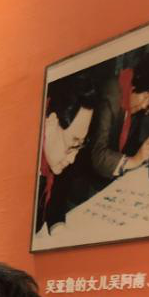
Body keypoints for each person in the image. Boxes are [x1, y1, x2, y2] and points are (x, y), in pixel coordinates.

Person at [88, 47, 149, 182]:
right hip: (88, 183)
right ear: (137, 84)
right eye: (146, 96)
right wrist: (134, 160)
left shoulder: (135, 97)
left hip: (112, 177)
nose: (145, 105)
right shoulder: (111, 96)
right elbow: (98, 155)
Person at [37, 74, 98, 232]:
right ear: (51, 124)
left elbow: (56, 206)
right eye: (73, 144)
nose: (72, 159)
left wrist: (59, 229)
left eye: (79, 146)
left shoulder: (58, 163)